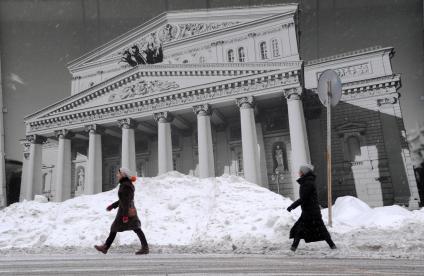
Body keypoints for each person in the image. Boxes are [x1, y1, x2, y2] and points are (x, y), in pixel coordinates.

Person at [94, 167, 149, 255]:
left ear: (123, 174)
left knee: (132, 228)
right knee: (132, 228)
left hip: (126, 210)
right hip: (126, 209)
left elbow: (126, 201)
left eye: (118, 173)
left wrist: (125, 215)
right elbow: (123, 199)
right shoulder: (125, 184)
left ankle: (105, 247)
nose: (117, 175)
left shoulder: (126, 185)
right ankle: (105, 247)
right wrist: (113, 206)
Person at [286, 164, 336, 252]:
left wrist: (292, 206)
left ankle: (293, 248)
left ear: (303, 173)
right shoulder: (307, 181)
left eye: (300, 171)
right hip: (310, 210)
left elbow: (303, 198)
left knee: (304, 228)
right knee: (305, 229)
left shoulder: (307, 183)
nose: (299, 172)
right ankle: (293, 247)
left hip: (311, 211)